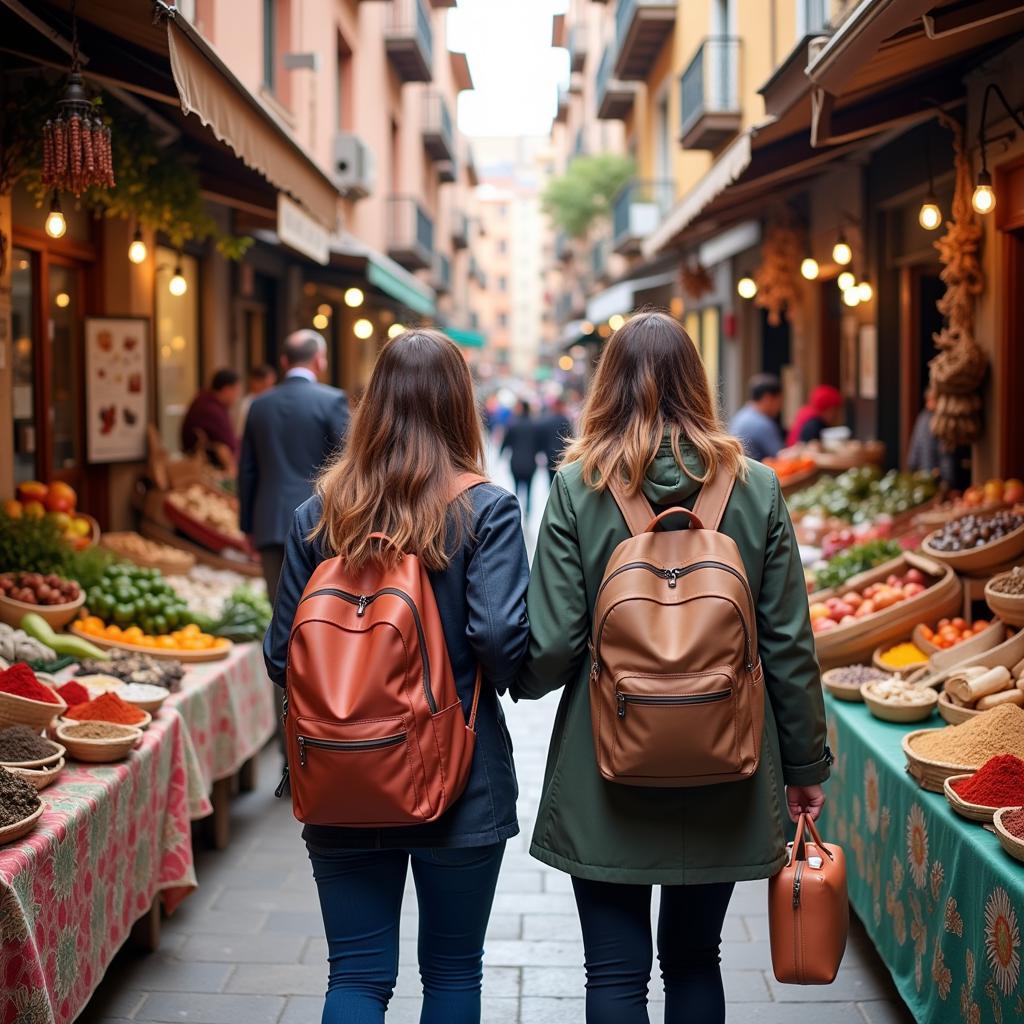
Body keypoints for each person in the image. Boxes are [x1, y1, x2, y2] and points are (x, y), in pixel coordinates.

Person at [513, 312, 830, 1024]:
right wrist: (806, 766)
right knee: (695, 959)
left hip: (606, 766)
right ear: (699, 381)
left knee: (614, 972)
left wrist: (516, 680)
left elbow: (558, 640)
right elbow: (786, 644)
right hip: (729, 767)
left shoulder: (578, 485)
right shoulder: (753, 486)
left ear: (607, 385)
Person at [263, 329, 530, 1024]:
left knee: (355, 974)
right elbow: (500, 636)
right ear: (460, 406)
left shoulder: (318, 514)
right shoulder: (485, 510)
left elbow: (278, 652)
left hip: (342, 771)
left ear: (372, 404)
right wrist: (499, 678)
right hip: (459, 777)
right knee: (450, 973)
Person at [239, 331, 349, 603]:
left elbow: (247, 470)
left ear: (284, 361)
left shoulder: (259, 405)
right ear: (319, 361)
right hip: (322, 522)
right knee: (319, 607)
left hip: (270, 522)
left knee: (279, 609)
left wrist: (247, 526)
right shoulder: (331, 401)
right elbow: (349, 463)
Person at [181, 368, 242, 468]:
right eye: (236, 391)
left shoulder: (205, 400)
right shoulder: (211, 409)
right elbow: (229, 444)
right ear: (227, 390)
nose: (237, 396)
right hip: (207, 465)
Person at [728, 373, 784, 461]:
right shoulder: (762, 424)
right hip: (753, 473)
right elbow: (780, 457)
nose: (780, 407)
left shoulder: (741, 415)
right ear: (767, 398)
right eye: (779, 401)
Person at [501, 400, 541, 514]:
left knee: (517, 487)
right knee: (529, 489)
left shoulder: (513, 425)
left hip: (515, 462)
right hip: (531, 463)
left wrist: (500, 455)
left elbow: (506, 442)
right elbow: (539, 444)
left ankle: (517, 511)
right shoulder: (535, 426)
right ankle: (528, 512)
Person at [235, 363, 277, 437]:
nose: (272, 387)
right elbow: (240, 432)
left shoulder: (275, 400)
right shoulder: (247, 403)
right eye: (268, 382)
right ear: (255, 382)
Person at [538, 397, 574, 481]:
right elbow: (570, 438)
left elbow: (543, 439)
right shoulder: (565, 420)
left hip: (550, 455)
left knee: (551, 481)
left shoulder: (547, 421)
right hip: (563, 456)